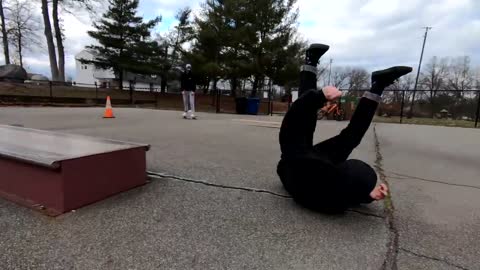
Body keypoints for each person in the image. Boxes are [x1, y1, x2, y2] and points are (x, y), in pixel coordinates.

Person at [277, 43, 412, 213]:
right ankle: (378, 85)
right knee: (351, 137)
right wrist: (368, 196)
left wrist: (318, 97)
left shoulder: (299, 170)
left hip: (293, 164)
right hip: (320, 170)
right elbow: (349, 194)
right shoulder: (338, 201)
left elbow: (291, 127)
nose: (342, 162)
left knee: (305, 121)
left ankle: (310, 62)